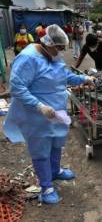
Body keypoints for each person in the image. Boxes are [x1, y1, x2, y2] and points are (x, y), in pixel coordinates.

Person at [3, 24, 95, 204]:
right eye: (59, 48)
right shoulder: (28, 59)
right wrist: (39, 106)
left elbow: (64, 75)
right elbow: (17, 88)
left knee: (56, 142)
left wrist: (84, 79)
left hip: (57, 111)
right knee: (41, 150)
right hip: (38, 115)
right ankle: (46, 187)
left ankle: (55, 171)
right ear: (48, 42)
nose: (61, 52)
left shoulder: (52, 56)